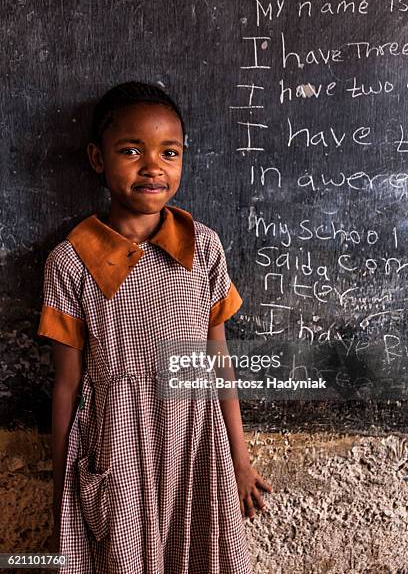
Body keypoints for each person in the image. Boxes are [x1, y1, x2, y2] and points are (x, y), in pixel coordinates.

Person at [37, 81, 272, 573]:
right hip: (116, 440)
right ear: (97, 159)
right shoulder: (71, 260)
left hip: (194, 438)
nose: (153, 167)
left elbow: (217, 359)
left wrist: (241, 460)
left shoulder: (202, 246)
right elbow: (66, 385)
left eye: (170, 152)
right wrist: (60, 493)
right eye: (131, 150)